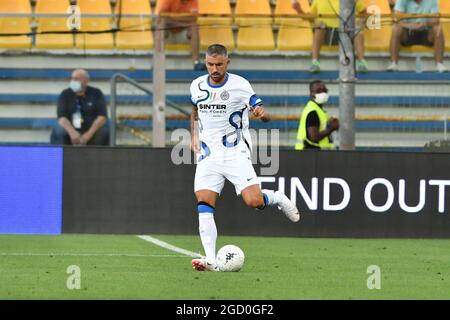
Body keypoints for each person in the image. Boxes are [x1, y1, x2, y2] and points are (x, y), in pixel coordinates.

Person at [190, 44, 300, 272]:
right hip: (208, 154)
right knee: (204, 202)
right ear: (206, 63)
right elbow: (194, 110)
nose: (214, 69)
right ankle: (210, 259)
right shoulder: (197, 85)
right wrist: (194, 135)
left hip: (235, 151)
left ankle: (276, 198)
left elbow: (261, 111)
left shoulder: (240, 85)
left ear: (227, 63)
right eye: (210, 64)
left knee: (254, 202)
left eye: (219, 64)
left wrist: (262, 114)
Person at [292, 0, 369, 73]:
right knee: (319, 27)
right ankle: (315, 62)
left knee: (357, 28)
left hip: (347, 33)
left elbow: (364, 14)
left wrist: (361, 21)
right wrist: (299, 10)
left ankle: (361, 62)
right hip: (327, 35)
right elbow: (311, 18)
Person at [50, 69, 109, 146]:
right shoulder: (65, 94)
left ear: (86, 81)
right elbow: (62, 118)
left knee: (104, 131)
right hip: (70, 130)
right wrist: (72, 133)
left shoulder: (96, 93)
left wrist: (87, 136)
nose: (73, 81)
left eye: (77, 79)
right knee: (58, 130)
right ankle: (59, 157)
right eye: (72, 78)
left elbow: (102, 117)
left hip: (90, 130)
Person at [387, 0, 447, 72]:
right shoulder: (402, 1)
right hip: (408, 33)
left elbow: (436, 20)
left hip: (426, 32)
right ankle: (394, 64)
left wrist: (423, 24)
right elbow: (396, 19)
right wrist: (411, 25)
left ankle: (439, 64)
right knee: (396, 28)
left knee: (438, 28)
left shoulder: (432, 1)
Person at [157, 0, 203, 71]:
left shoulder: (193, 1)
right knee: (161, 25)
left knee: (194, 26)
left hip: (183, 33)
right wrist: (183, 22)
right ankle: (158, 61)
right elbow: (161, 18)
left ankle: (196, 62)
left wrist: (172, 18)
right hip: (168, 34)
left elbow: (193, 18)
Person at [295, 80, 339, 150]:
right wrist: (331, 128)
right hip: (310, 154)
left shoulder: (320, 111)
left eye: (325, 90)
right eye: (318, 91)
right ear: (311, 94)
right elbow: (314, 137)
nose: (323, 93)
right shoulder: (312, 112)